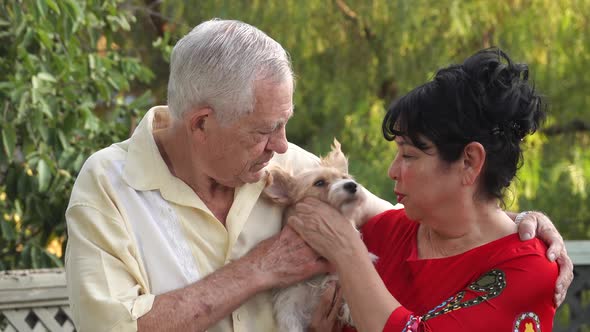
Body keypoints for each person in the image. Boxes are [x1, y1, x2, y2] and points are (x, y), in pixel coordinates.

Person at [64, 18, 571, 331]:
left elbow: (430, 212)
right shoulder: (108, 188)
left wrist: (520, 222)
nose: (284, 146)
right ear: (200, 123)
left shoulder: (290, 169)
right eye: (265, 130)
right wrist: (262, 268)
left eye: (286, 124)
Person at [289, 48, 568, 332]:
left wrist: (346, 250)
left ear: (469, 162)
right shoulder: (382, 232)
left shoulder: (528, 266)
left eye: (409, 156)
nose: (392, 170)